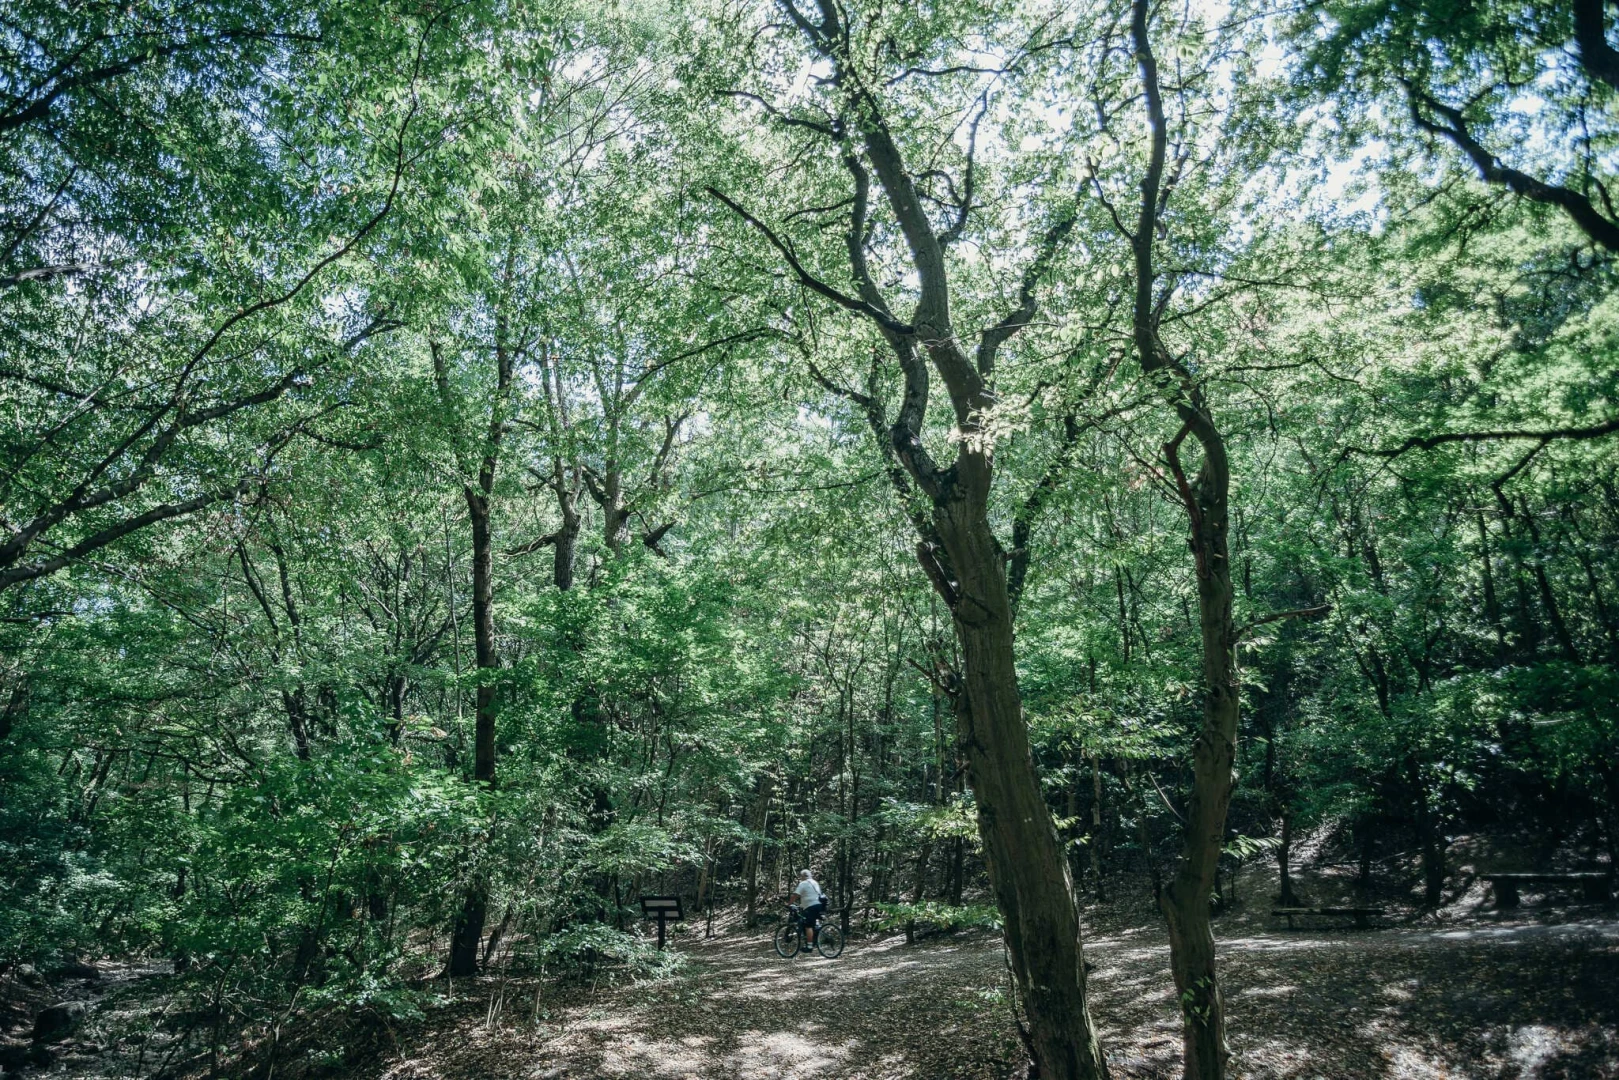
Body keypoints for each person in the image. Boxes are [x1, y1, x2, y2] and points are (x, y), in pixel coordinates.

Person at [790, 869, 825, 945]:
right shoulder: (815, 882)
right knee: (813, 922)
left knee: (808, 926)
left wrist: (789, 903)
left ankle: (809, 946)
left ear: (802, 876)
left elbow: (795, 895)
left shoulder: (803, 883)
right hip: (819, 905)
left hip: (810, 906)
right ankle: (816, 938)